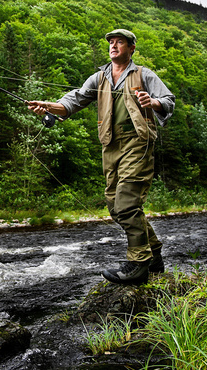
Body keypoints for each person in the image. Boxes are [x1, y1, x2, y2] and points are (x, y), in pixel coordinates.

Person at [28, 29, 175, 285]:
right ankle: (154, 254)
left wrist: (152, 102)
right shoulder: (100, 77)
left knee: (127, 204)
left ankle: (138, 264)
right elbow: (73, 101)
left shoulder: (143, 74)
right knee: (115, 207)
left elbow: (168, 101)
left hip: (137, 142)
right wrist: (48, 106)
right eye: (111, 42)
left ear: (131, 49)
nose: (113, 46)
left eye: (120, 42)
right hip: (111, 145)